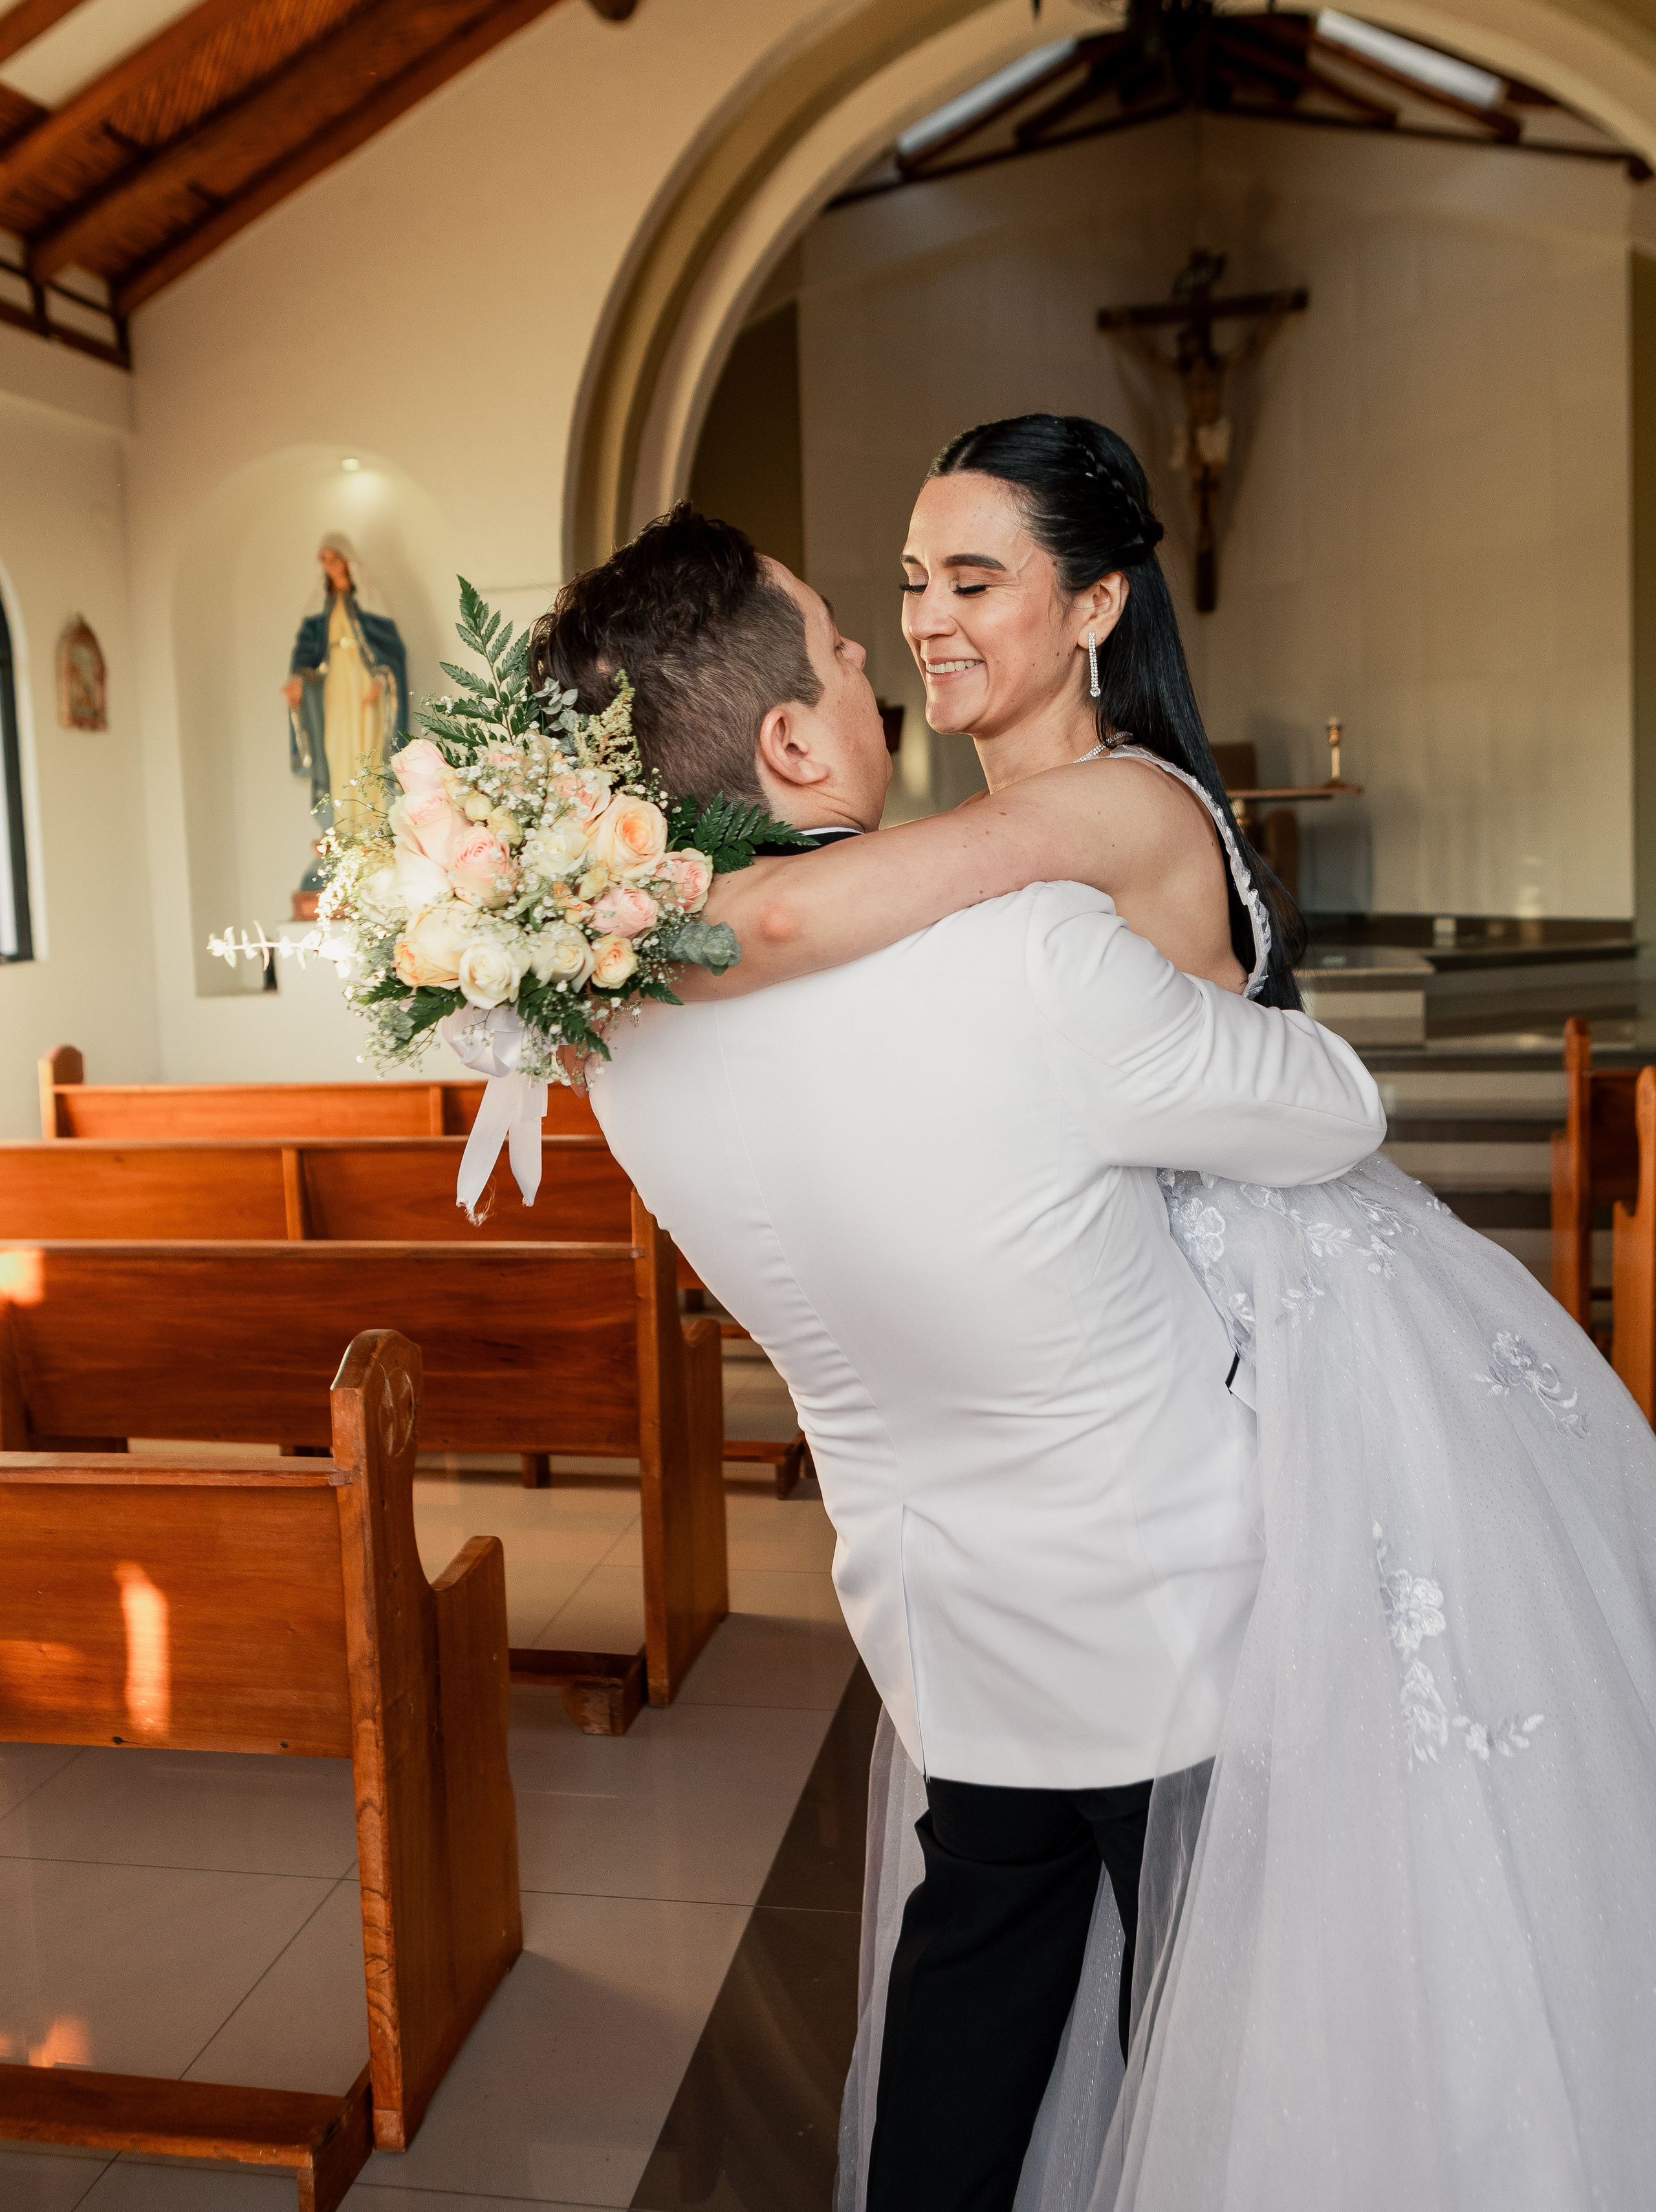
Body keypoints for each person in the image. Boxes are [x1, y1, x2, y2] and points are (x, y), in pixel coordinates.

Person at [582, 419, 1656, 2212]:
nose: (911, 628)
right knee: (1243, 1969)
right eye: (895, 596)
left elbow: (796, 921)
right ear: (784, 733)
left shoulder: (662, 1011)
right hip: (1133, 1493)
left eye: (966, 582)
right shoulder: (995, 906)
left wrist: (619, 912)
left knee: (1054, 1948)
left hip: (1085, 1488)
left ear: (1095, 607)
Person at [528, 495, 1384, 2212]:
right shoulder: (1027, 955)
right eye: (846, 653)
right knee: (1225, 2022)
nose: (881, 669)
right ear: (788, 739)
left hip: (945, 1619)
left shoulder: (618, 1039)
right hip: (1176, 1624)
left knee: (976, 1978)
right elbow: (1330, 1116)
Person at [282, 534, 409, 838]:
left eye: (334, 559)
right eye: (324, 561)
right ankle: (344, 825)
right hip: (334, 686)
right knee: (337, 747)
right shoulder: (319, 609)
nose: (329, 566)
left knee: (368, 744)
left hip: (364, 683)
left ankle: (373, 823)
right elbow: (307, 653)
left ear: (348, 561)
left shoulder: (370, 602)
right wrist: (299, 679)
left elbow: (390, 651)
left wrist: (381, 679)